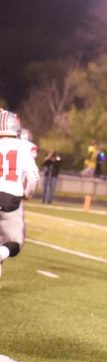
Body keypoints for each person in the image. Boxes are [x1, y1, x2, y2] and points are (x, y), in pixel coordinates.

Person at [0, 109, 40, 279]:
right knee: (15, 243)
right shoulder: (24, 147)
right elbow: (33, 177)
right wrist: (27, 194)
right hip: (10, 199)